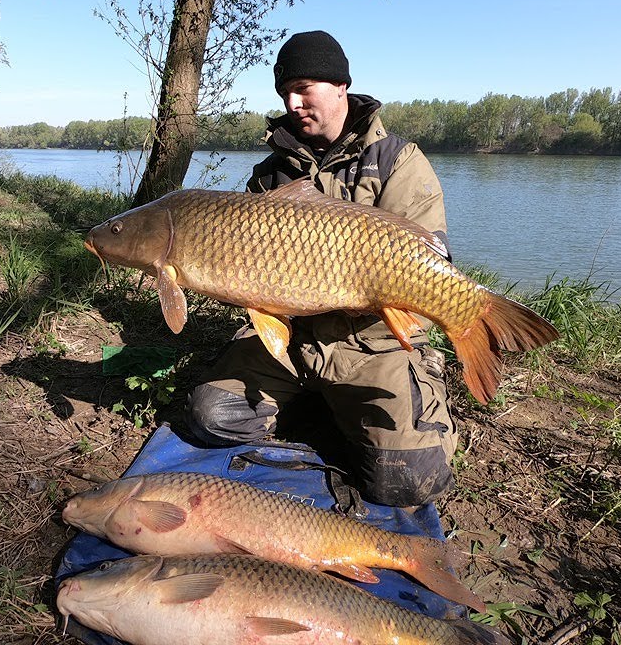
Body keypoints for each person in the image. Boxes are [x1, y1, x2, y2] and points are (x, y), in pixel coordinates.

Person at [183, 30, 459, 508]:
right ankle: (322, 401)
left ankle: (417, 375)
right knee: (211, 416)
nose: (292, 103)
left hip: (372, 343)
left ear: (339, 86)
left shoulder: (397, 161)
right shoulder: (270, 175)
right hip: (293, 337)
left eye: (303, 89)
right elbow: (251, 274)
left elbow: (428, 263)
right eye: (284, 93)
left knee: (409, 482)